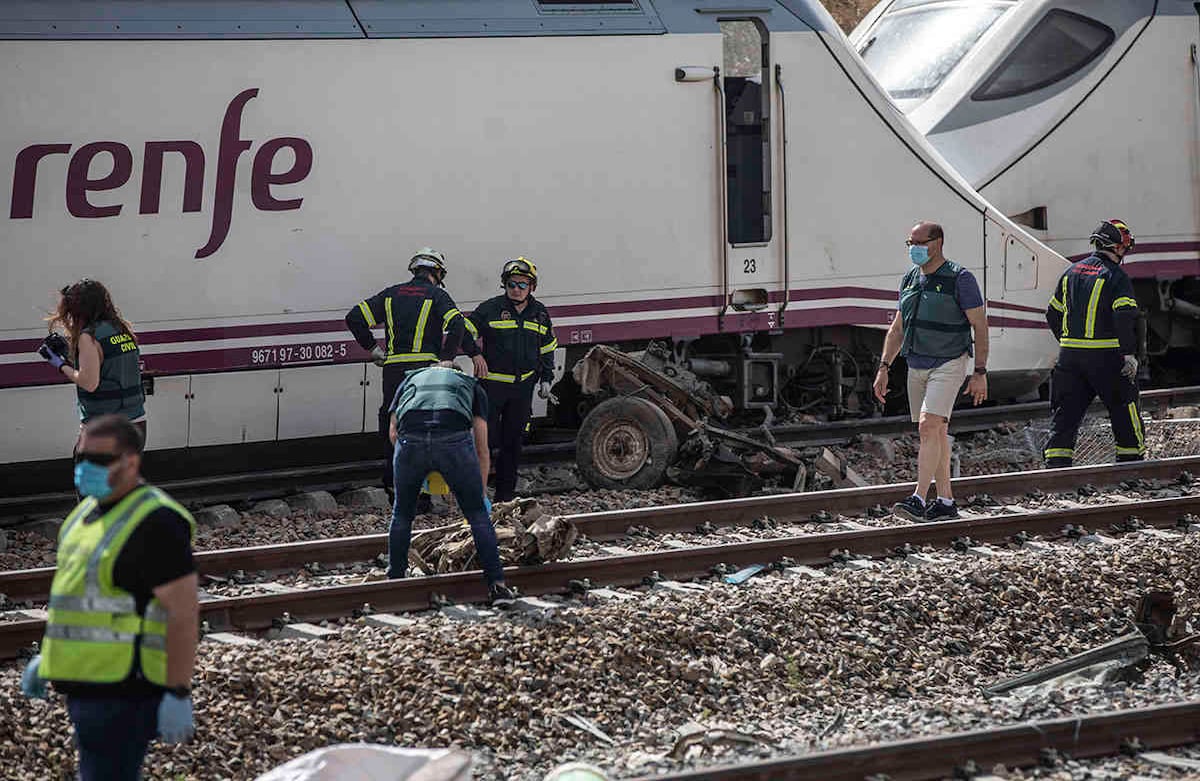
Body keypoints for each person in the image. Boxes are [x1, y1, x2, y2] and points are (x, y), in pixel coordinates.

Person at [20, 414, 198, 781]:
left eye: (98, 461)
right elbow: (76, 598)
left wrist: (178, 691)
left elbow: (181, 613)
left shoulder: (157, 522)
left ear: (131, 461)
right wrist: (48, 658)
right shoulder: (83, 514)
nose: (86, 469)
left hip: (126, 690)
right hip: (85, 684)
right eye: (81, 458)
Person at [873, 221, 989, 522]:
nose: (913, 249)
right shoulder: (910, 278)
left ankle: (918, 498)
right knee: (934, 432)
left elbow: (980, 325)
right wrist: (884, 367)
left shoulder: (960, 278)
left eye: (918, 243)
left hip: (949, 362)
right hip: (916, 364)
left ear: (936, 243)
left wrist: (980, 372)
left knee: (928, 426)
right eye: (909, 243)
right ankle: (947, 502)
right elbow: (898, 328)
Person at [345, 248, 471, 498]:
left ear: (415, 270)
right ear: (438, 273)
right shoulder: (437, 295)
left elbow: (354, 318)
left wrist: (373, 349)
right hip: (425, 371)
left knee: (394, 424)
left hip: (394, 371)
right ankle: (421, 495)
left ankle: (393, 486)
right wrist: (446, 358)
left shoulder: (391, 294)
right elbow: (457, 324)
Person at [387, 365, 515, 603]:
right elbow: (481, 447)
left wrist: (416, 467)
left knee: (402, 514)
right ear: (458, 372)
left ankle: (395, 581)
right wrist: (481, 494)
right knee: (478, 516)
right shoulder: (470, 385)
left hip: (410, 441)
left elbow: (393, 432)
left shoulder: (411, 379)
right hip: (453, 442)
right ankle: (497, 586)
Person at [1043, 219, 1144, 467]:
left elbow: (1052, 314)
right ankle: (1130, 463)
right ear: (1116, 247)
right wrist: (1129, 354)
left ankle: (1056, 470)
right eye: (1124, 247)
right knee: (1123, 407)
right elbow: (1123, 316)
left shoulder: (1070, 273)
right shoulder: (1116, 276)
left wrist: (1068, 342)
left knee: (1065, 414)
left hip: (1070, 358)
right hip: (1107, 358)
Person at [464, 257, 557, 502]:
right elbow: (463, 332)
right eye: (511, 284)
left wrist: (547, 379)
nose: (516, 289)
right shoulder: (490, 308)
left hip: (522, 388)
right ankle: (476, 494)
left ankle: (505, 497)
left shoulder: (540, 314)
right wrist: (474, 354)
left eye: (522, 285)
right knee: (485, 443)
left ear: (532, 287)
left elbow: (548, 348)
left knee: (513, 444)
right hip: (491, 386)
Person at [40, 279, 147, 450]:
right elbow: (111, 366)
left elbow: (89, 383)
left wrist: (60, 364)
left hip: (104, 428)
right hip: (136, 425)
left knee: (90, 477)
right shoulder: (121, 329)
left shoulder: (89, 336)